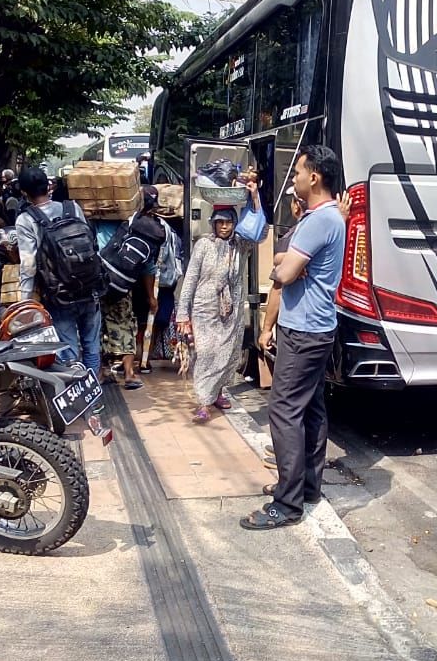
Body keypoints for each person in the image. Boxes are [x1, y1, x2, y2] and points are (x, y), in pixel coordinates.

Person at [241, 145, 345, 531]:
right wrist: (290, 264)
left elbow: (282, 274)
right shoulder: (327, 217)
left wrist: (289, 266)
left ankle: (286, 504)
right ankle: (307, 488)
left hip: (303, 331)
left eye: (298, 172)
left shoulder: (320, 220)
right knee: (311, 409)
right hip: (316, 328)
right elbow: (285, 264)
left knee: (284, 410)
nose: (294, 179)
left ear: (314, 177)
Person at [176, 177, 267, 421]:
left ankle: (217, 392)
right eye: (220, 223)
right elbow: (190, 280)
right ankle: (203, 401)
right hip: (204, 309)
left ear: (235, 224)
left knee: (227, 354)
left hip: (231, 310)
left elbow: (260, 232)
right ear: (213, 224)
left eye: (228, 222)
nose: (224, 227)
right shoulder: (203, 245)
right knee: (206, 353)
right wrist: (183, 314)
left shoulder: (241, 245)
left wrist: (255, 197)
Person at [15, 166, 103, 375]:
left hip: (59, 295)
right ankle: (94, 389)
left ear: (24, 192)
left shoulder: (26, 220)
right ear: (48, 186)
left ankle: (76, 390)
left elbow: (28, 265)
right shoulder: (73, 208)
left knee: (68, 350)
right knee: (91, 344)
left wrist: (25, 302)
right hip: (90, 288)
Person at [97, 186, 162, 390]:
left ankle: (101, 371)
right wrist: (151, 297)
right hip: (122, 287)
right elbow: (149, 267)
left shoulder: (103, 220)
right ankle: (129, 374)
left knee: (97, 326)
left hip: (98, 280)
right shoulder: (146, 228)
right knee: (125, 325)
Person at [133, 191, 182, 371]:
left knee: (149, 321)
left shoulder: (157, 227)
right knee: (145, 321)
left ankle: (143, 358)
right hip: (149, 281)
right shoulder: (159, 226)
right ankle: (141, 359)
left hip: (153, 281)